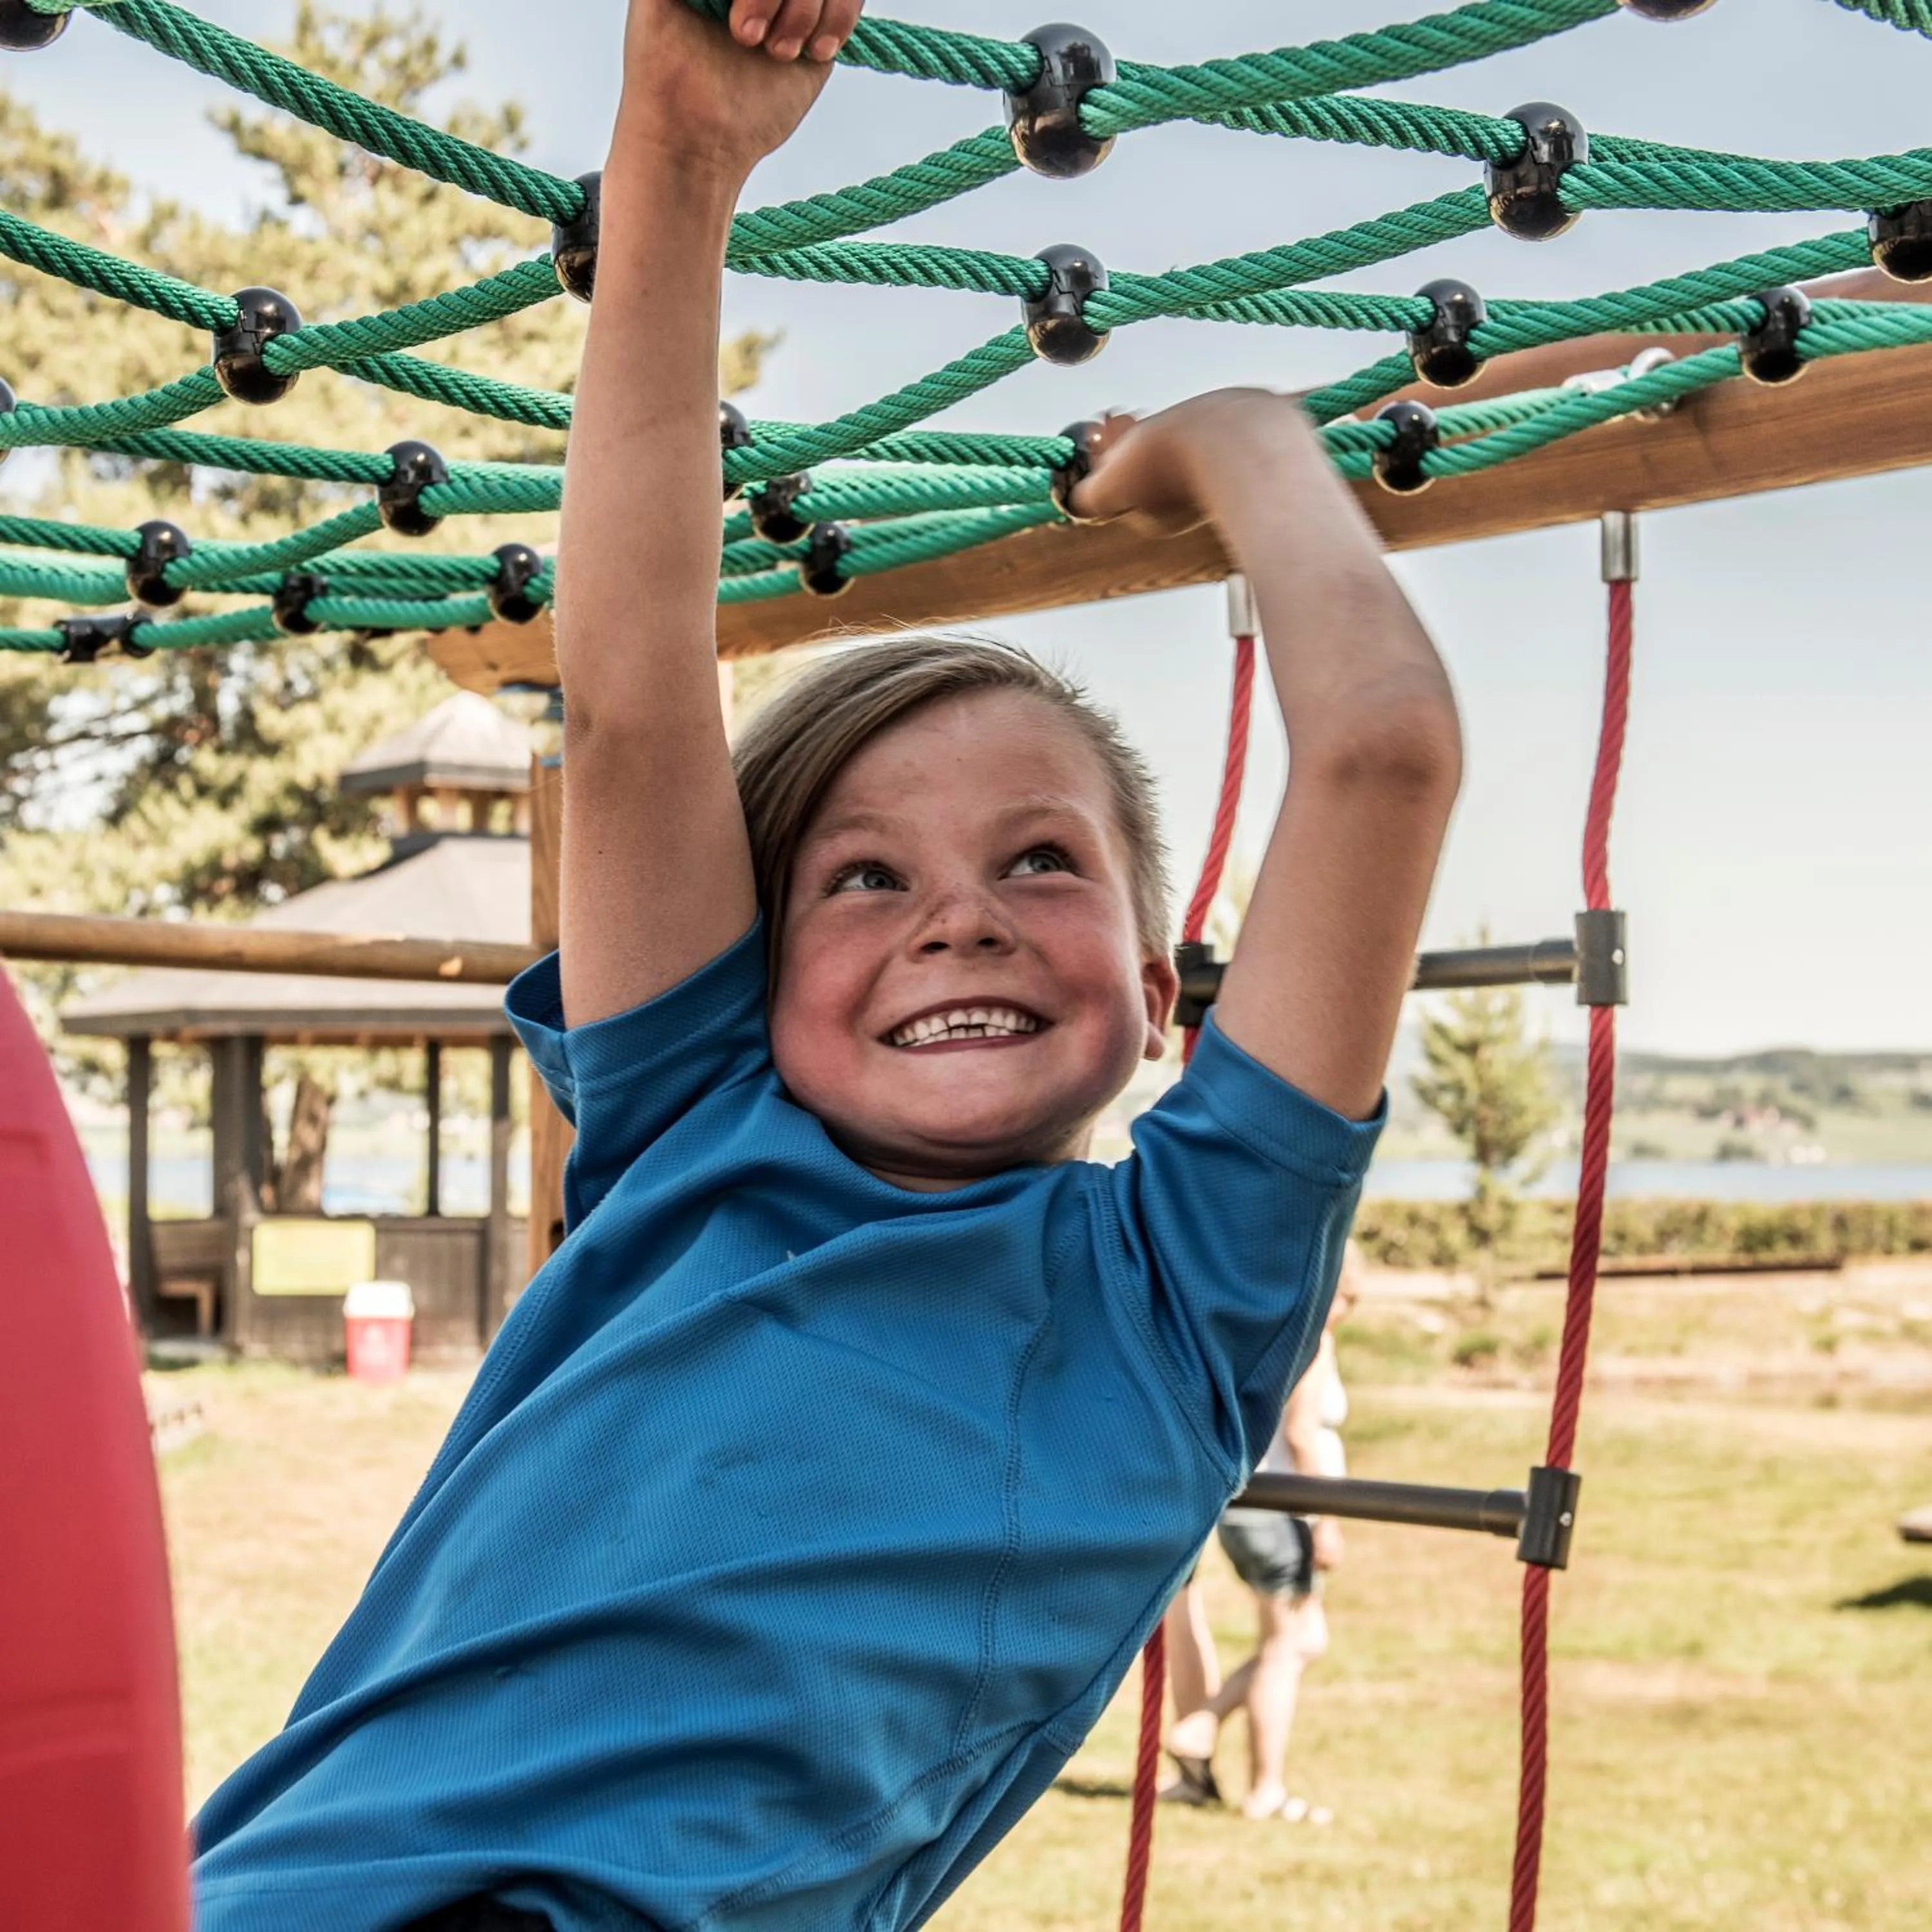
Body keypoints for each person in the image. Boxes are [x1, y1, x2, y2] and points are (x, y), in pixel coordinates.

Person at [188, 3, 1462, 1927]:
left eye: (1040, 862)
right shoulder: (695, 1137)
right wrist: (681, 155)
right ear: (753, 980)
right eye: (861, 880)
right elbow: (630, 691)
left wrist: (1245, 444)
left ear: (1160, 988)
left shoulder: (1178, 1298)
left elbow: (1378, 754)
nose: (956, 916)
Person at [1163, 1247, 1362, 1822]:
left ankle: (1207, 1725)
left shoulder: (1269, 1337)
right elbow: (1300, 1432)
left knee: (1303, 1641)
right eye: (1346, 1298)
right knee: (1287, 1646)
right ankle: (1256, 1780)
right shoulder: (1313, 1343)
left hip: (1251, 1507)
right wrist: (1328, 1519)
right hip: (1284, 1508)